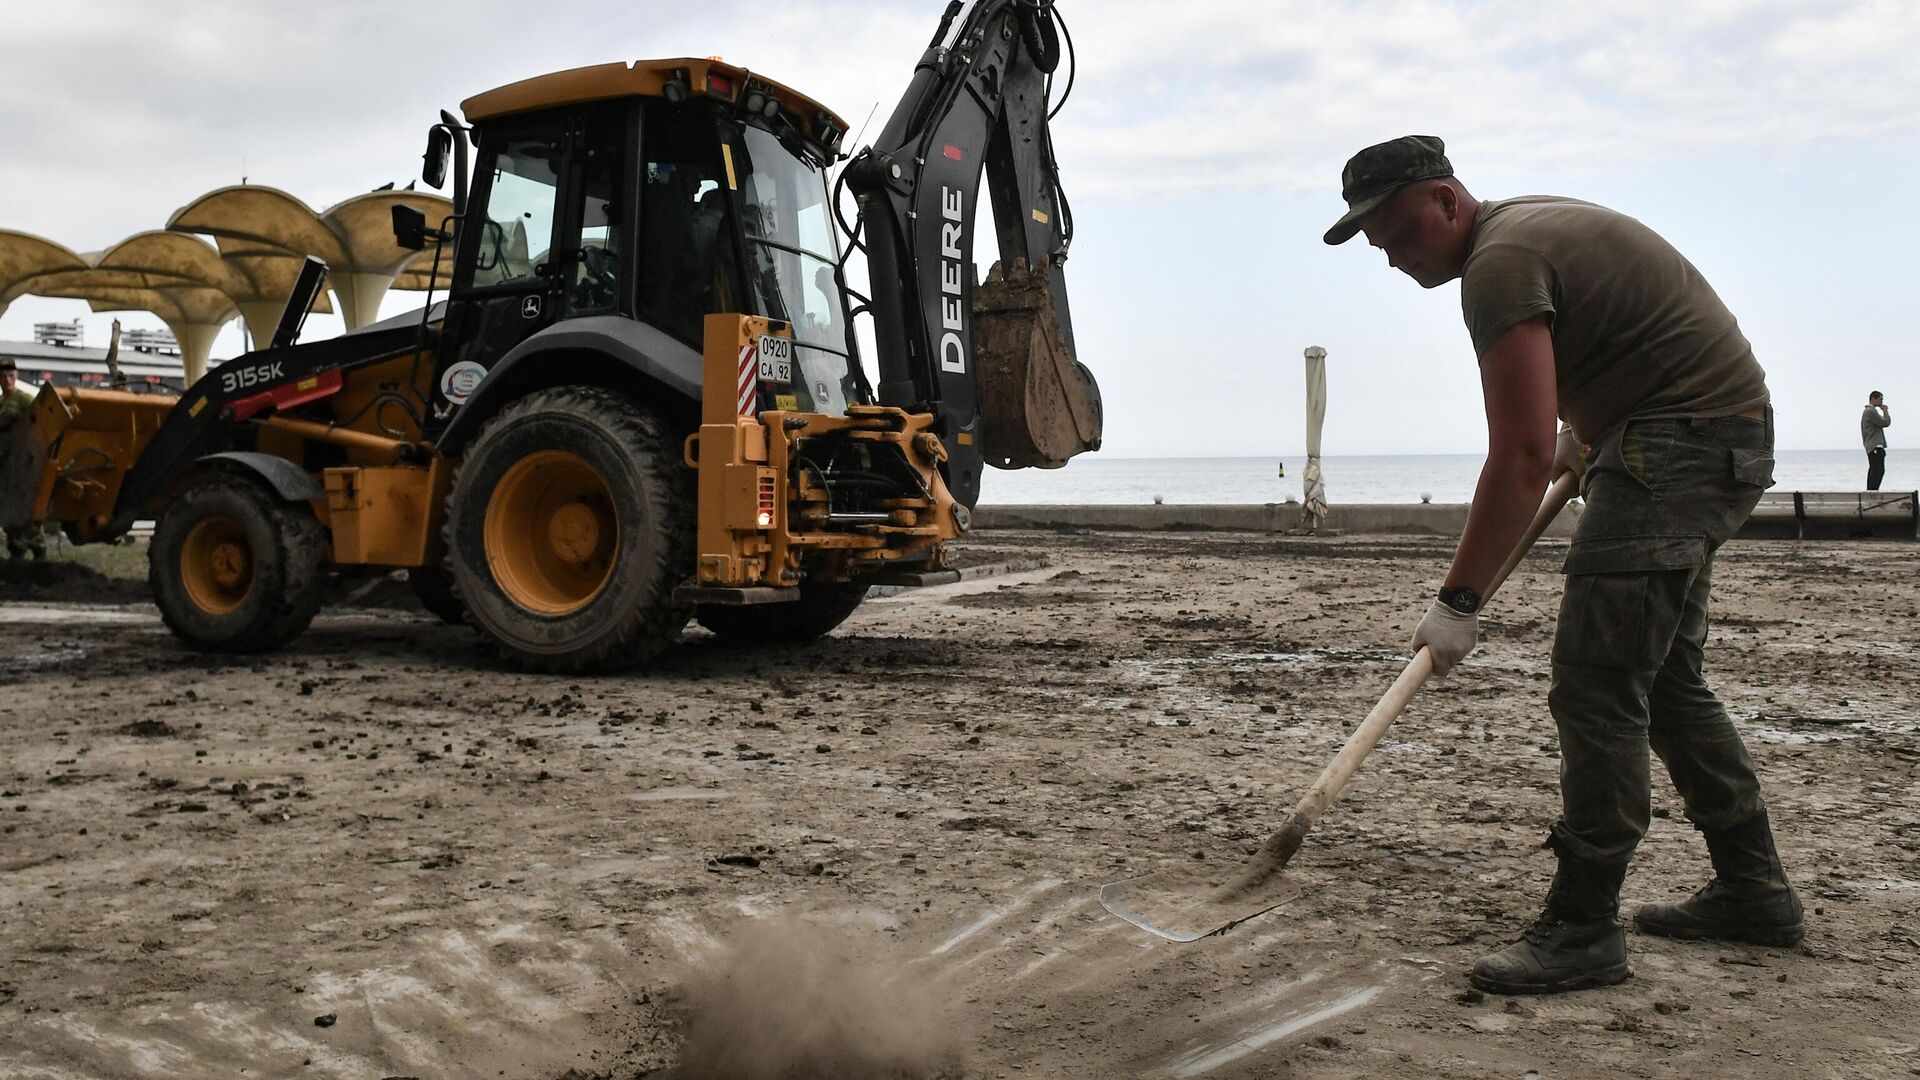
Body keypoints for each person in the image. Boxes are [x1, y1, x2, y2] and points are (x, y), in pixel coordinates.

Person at [1324, 136, 1802, 995]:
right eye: (1376, 248)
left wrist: (1460, 599)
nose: (1393, 260)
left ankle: (1583, 927)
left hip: (1676, 445)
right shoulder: (1524, 229)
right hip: (1699, 434)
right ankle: (1753, 890)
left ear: (1444, 199)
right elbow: (1590, 381)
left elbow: (1515, 452)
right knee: (1664, 682)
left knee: (1596, 685)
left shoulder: (1498, 263)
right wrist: (1591, 430)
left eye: (1398, 234)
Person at [0, 356, 49, 560]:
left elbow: (38, 425)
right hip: (6, 463)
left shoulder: (26, 400)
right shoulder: (2, 402)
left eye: (11, 376)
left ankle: (38, 549)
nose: (7, 380)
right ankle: (16, 549)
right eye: (3, 377)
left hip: (23, 464)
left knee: (28, 507)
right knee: (9, 508)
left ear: (16, 376)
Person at [1862, 391, 1890, 490]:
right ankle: (1872, 492)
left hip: (1873, 446)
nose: (1882, 402)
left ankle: (1872, 491)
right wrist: (1885, 411)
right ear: (1874, 398)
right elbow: (1885, 422)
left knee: (1876, 469)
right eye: (1880, 399)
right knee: (1877, 470)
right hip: (1875, 446)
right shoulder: (1870, 411)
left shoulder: (1869, 412)